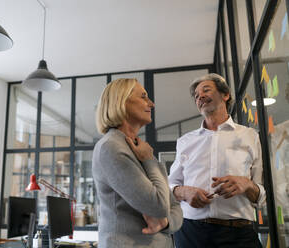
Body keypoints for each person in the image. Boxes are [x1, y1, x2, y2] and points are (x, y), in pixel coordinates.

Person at [168, 73, 266, 248]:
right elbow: (169, 186)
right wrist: (184, 192)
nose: (200, 97)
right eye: (197, 96)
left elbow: (262, 195)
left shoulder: (250, 136)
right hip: (190, 233)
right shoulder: (185, 142)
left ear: (225, 95)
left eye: (206, 90)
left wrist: (247, 184)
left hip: (238, 235)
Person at [92, 78, 183, 248]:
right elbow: (159, 206)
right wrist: (149, 161)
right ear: (121, 101)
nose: (152, 104)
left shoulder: (140, 148)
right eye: (143, 97)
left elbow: (175, 207)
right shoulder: (111, 147)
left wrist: (165, 223)